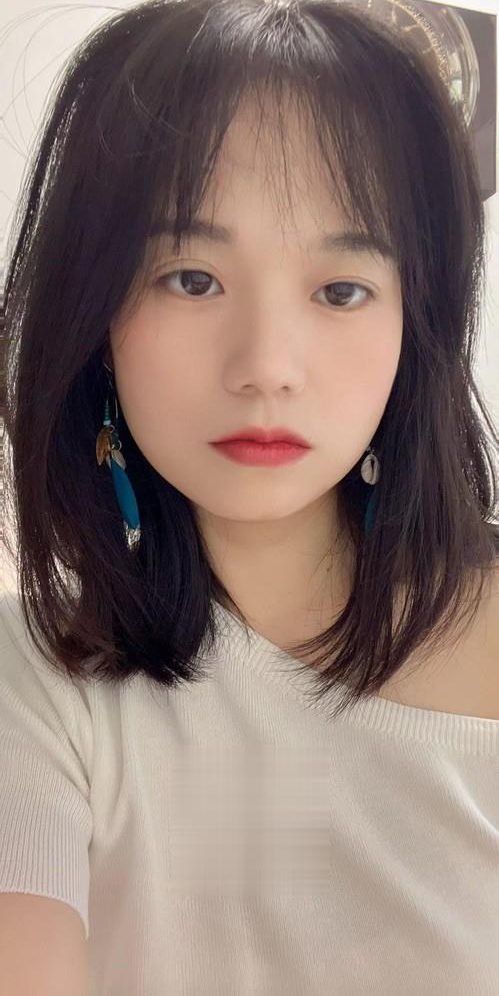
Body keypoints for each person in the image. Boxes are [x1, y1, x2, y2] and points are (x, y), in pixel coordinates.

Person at [1, 1, 499, 993]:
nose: (266, 365)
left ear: (415, 327)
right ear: (97, 313)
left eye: (340, 290)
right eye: (191, 279)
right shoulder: (41, 675)